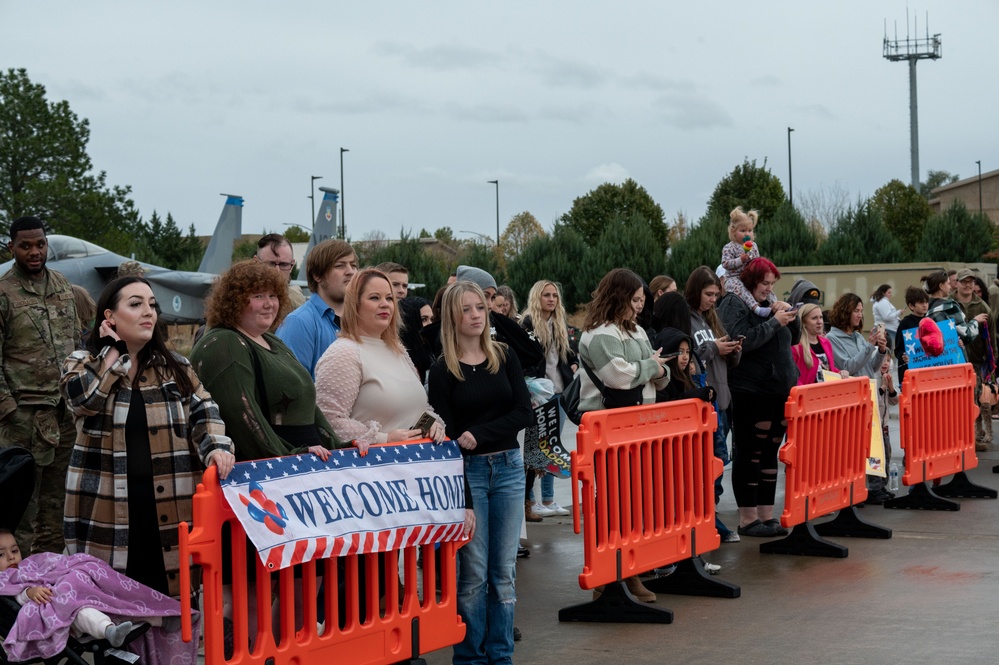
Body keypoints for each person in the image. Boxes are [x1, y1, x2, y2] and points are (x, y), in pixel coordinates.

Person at [61, 275, 235, 600]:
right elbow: (82, 400)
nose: (148, 313)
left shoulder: (176, 366)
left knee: (171, 598)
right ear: (109, 317)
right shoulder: (82, 362)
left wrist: (217, 450)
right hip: (108, 508)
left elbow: (205, 412)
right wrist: (113, 353)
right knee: (114, 605)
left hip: (170, 504)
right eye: (136, 304)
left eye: (152, 305)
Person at [427, 281, 532, 665]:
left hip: (508, 469)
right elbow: (448, 440)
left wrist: (480, 433)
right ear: (452, 317)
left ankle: (500, 655)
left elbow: (525, 412)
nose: (475, 315)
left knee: (503, 572)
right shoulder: (442, 371)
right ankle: (470, 658)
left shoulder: (503, 356)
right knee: (473, 575)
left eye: (480, 308)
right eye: (466, 309)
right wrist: (465, 501)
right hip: (467, 475)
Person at [191, 260, 345, 462]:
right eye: (258, 296)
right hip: (273, 472)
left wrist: (341, 448)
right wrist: (289, 458)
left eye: (273, 295)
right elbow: (244, 420)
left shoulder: (272, 340)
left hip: (307, 461)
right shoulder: (224, 343)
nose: (269, 303)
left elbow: (307, 406)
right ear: (234, 300)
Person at [577, 268, 670, 601]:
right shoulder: (600, 334)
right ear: (618, 298)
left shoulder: (638, 332)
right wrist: (651, 368)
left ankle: (628, 570)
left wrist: (650, 369)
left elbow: (661, 374)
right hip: (607, 428)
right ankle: (615, 573)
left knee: (633, 503)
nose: (640, 307)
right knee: (613, 504)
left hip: (636, 426)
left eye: (643, 300)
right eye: (635, 300)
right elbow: (618, 376)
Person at [0, 216, 79, 555]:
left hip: (65, 416)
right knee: (23, 508)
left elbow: (77, 344)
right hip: (24, 420)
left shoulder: (63, 285)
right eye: (26, 246)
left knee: (59, 505)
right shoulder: (4, 294)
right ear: (12, 248)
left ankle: (52, 582)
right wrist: (9, 410)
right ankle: (18, 589)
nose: (35, 252)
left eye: (40, 244)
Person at [0, 529, 181, 662]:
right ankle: (109, 630)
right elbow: (16, 594)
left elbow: (51, 566)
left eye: (15, 551)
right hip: (59, 614)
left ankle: (158, 617)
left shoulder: (26, 567)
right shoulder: (3, 580)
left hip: (66, 598)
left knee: (101, 596)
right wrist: (30, 592)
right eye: (1, 554)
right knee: (83, 612)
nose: (11, 557)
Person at [315, 268, 447, 447]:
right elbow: (328, 420)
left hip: (416, 467)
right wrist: (384, 439)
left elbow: (420, 408)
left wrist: (434, 424)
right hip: (374, 469)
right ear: (355, 304)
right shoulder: (344, 353)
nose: (385, 304)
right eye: (374, 297)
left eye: (389, 298)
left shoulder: (397, 349)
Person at [717, 257, 798, 537]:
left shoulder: (769, 304)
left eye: (772, 284)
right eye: (765, 284)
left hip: (778, 390)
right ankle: (748, 519)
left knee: (769, 454)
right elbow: (741, 340)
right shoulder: (734, 303)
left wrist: (787, 315)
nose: (768, 289)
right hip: (751, 391)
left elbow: (794, 339)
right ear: (751, 281)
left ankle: (766, 515)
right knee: (750, 454)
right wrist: (775, 322)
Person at [685, 266, 742, 543]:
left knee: (718, 464)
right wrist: (714, 349)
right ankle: (709, 518)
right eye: (708, 294)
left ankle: (711, 514)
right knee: (711, 465)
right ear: (696, 291)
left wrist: (733, 352)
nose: (713, 300)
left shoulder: (711, 320)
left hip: (722, 399)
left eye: (716, 295)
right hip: (704, 403)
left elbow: (721, 360)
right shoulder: (688, 320)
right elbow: (690, 356)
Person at [826, 292, 892, 504]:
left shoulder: (856, 336)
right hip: (852, 401)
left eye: (862, 311)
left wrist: (880, 351)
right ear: (845, 311)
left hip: (868, 397)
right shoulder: (832, 339)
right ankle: (859, 489)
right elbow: (847, 367)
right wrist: (868, 346)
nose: (859, 315)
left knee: (873, 445)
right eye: (856, 310)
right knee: (855, 447)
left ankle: (874, 487)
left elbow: (869, 368)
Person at [521, 280, 577, 519]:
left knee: (552, 446)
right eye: (546, 295)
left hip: (559, 391)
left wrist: (573, 363)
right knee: (534, 447)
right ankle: (531, 501)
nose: (552, 299)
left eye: (555, 295)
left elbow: (567, 353)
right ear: (537, 297)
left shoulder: (559, 323)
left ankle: (549, 498)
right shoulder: (528, 324)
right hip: (537, 392)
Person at [276, 239, 358, 378]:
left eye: (353, 265)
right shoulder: (299, 322)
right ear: (317, 275)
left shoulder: (362, 319)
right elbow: (291, 386)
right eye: (340, 265)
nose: (350, 271)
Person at [952, 268, 994, 451]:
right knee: (954, 401)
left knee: (973, 399)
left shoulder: (982, 307)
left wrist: (992, 362)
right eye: (964, 281)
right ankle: (956, 436)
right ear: (957, 283)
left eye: (970, 281)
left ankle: (972, 436)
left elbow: (991, 338)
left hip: (975, 361)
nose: (968, 285)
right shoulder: (949, 304)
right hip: (953, 361)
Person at [720, 206, 777, 318]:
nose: (747, 234)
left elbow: (758, 262)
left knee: (765, 287)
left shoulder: (753, 246)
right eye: (743, 231)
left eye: (750, 231)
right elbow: (725, 264)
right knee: (742, 289)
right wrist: (740, 260)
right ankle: (756, 308)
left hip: (750, 277)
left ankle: (775, 304)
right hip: (734, 278)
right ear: (733, 231)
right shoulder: (729, 247)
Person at [793, 303, 849, 384]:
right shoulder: (796, 347)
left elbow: (829, 369)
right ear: (804, 322)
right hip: (808, 394)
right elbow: (792, 378)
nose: (819, 322)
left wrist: (840, 373)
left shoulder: (826, 343)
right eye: (814, 318)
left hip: (826, 394)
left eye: (821, 317)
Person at [255, 233, 306, 310]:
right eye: (270, 264)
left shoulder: (298, 305)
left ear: (292, 265)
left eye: (284, 264)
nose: (277, 271)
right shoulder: (240, 300)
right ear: (256, 262)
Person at [895, 286, 929, 385]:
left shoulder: (930, 321)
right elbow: (898, 349)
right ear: (911, 306)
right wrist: (903, 356)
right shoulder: (905, 323)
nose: (925, 305)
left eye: (926, 302)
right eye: (921, 303)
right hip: (910, 374)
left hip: (926, 373)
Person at [871, 284, 902, 352]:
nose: (891, 294)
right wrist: (898, 312)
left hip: (884, 328)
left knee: (885, 351)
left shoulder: (881, 302)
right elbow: (886, 317)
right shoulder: (882, 302)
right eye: (889, 292)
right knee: (886, 351)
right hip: (886, 329)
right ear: (883, 292)